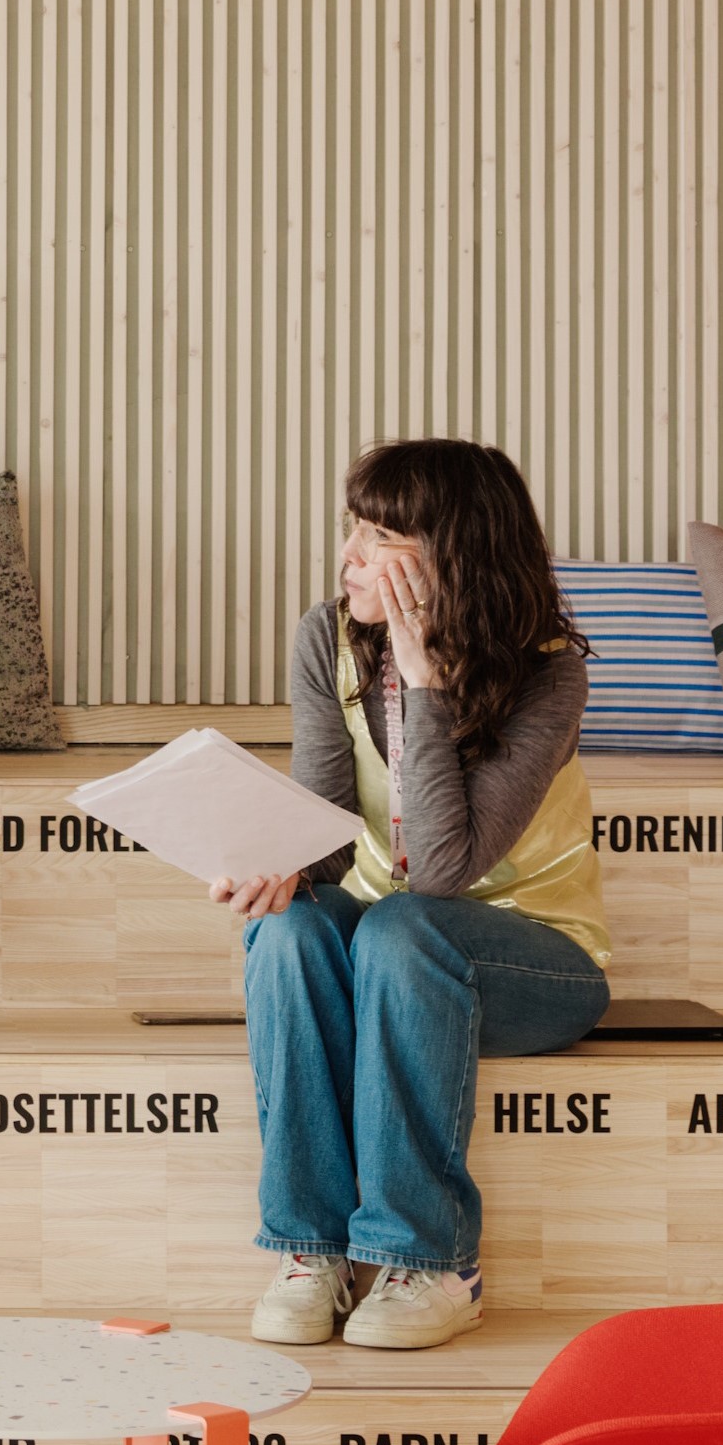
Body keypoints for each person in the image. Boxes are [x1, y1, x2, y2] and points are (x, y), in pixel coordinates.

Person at [208, 437, 610, 1351]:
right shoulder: (326, 638)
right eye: (351, 525)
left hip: (533, 957)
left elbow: (439, 869)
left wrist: (422, 678)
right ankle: (310, 1248)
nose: (347, 554)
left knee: (404, 926)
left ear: (454, 556)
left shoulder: (548, 670)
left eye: (380, 536)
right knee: (291, 930)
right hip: (394, 942)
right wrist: (272, 864)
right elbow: (325, 827)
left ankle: (430, 1259)